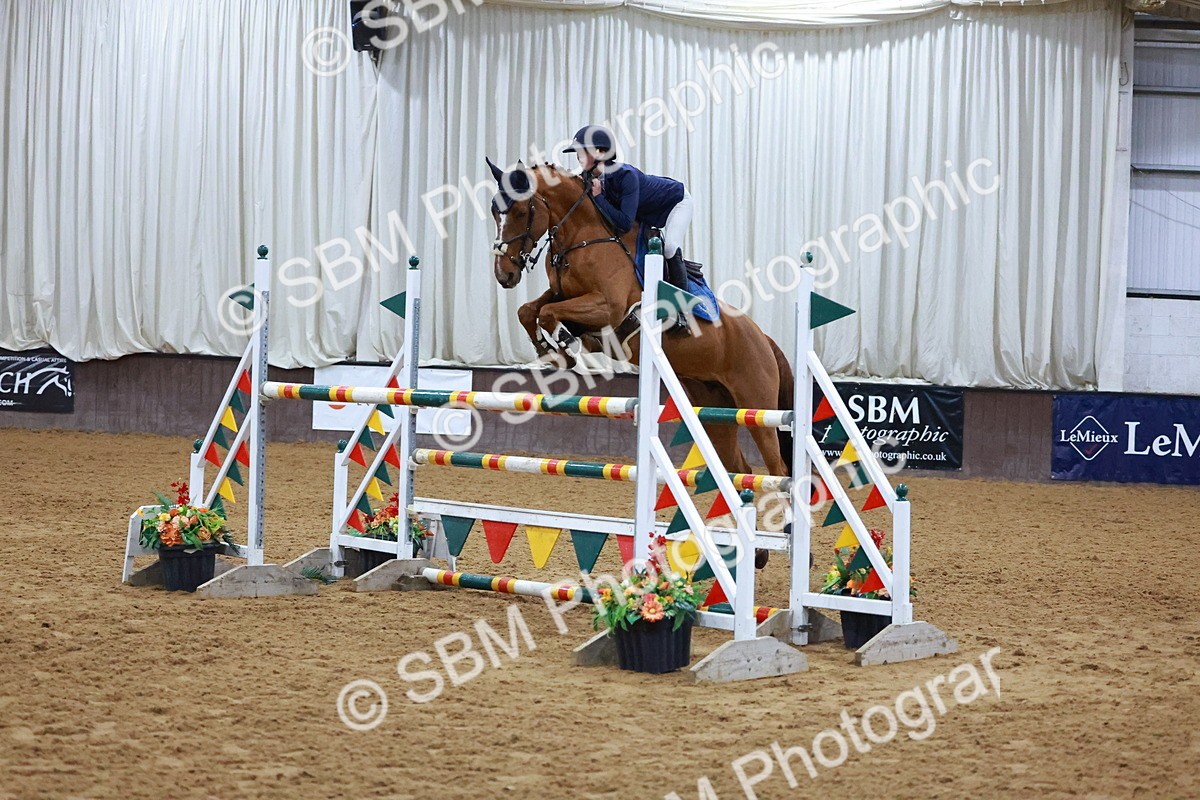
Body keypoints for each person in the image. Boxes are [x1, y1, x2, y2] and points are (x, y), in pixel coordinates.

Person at [562, 126, 695, 296]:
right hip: (645, 212)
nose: (578, 158)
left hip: (676, 202)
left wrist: (599, 197)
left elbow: (624, 223)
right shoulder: (588, 177)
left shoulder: (626, 175)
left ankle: (681, 304)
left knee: (670, 247)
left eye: (582, 153)